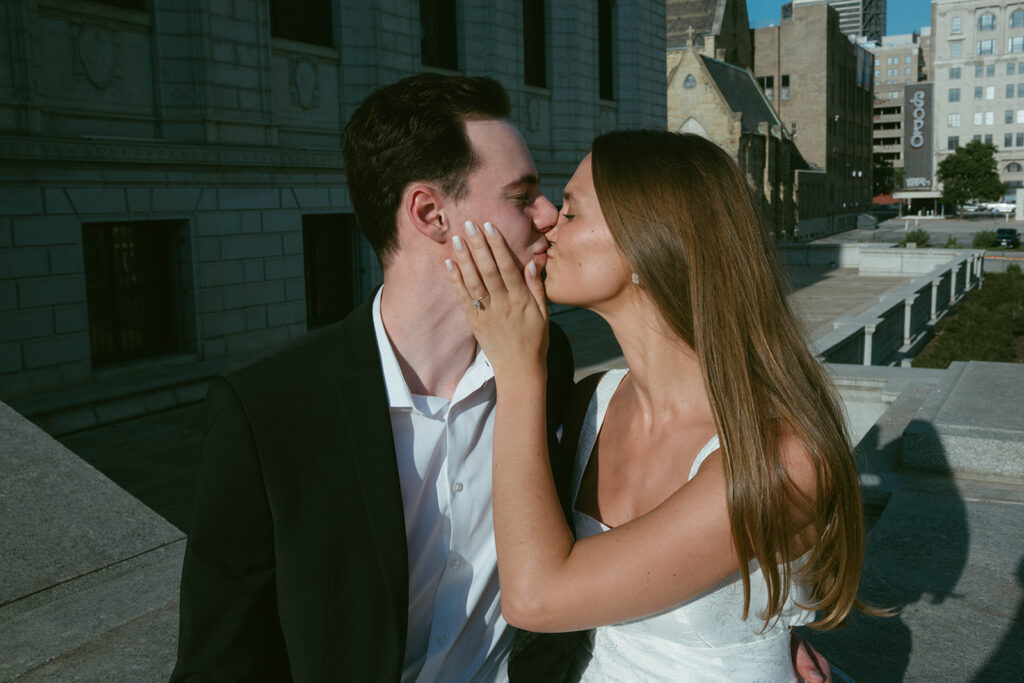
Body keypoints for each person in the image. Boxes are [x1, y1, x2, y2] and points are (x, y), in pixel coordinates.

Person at [172, 75, 832, 682]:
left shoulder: (547, 374)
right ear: (431, 215)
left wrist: (753, 631)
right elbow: (219, 662)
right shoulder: (268, 411)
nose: (546, 217)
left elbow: (568, 585)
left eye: (563, 206)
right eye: (525, 197)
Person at [446, 130, 870, 681]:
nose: (547, 221)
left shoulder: (779, 459)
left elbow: (536, 599)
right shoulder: (590, 403)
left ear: (648, 243)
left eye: (571, 211)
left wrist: (519, 369)